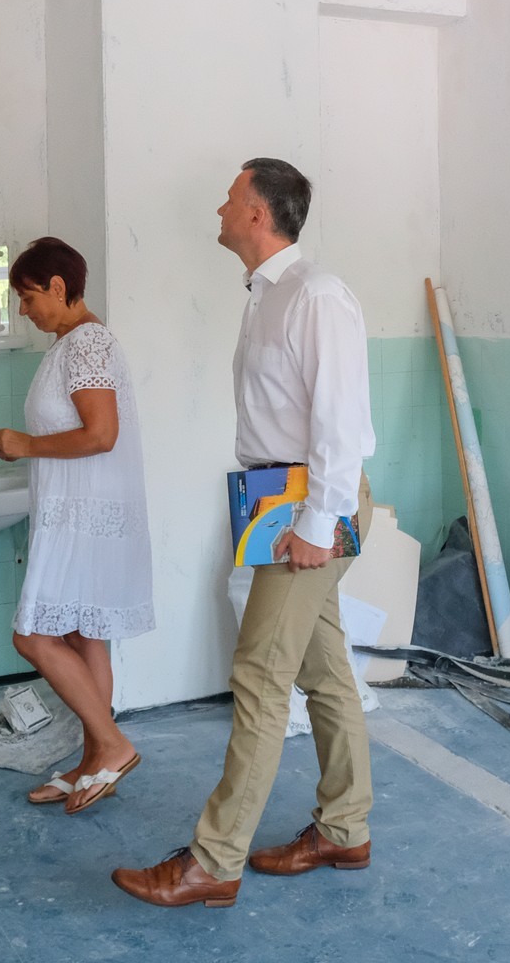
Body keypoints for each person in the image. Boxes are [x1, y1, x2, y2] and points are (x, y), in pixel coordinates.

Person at [112, 158, 376, 908]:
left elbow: (340, 423)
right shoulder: (268, 295)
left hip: (311, 506)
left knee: (260, 675)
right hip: (281, 502)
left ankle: (214, 862)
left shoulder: (315, 294)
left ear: (259, 213)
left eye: (231, 199)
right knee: (324, 672)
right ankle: (345, 828)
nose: (220, 209)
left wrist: (317, 524)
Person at [0, 237, 155, 814]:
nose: (23, 310)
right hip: (77, 513)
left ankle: (112, 745)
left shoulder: (87, 343)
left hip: (84, 517)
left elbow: (100, 434)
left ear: (58, 288)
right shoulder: (72, 344)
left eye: (28, 297)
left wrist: (25, 444)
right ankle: (92, 763)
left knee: (32, 635)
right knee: (85, 635)